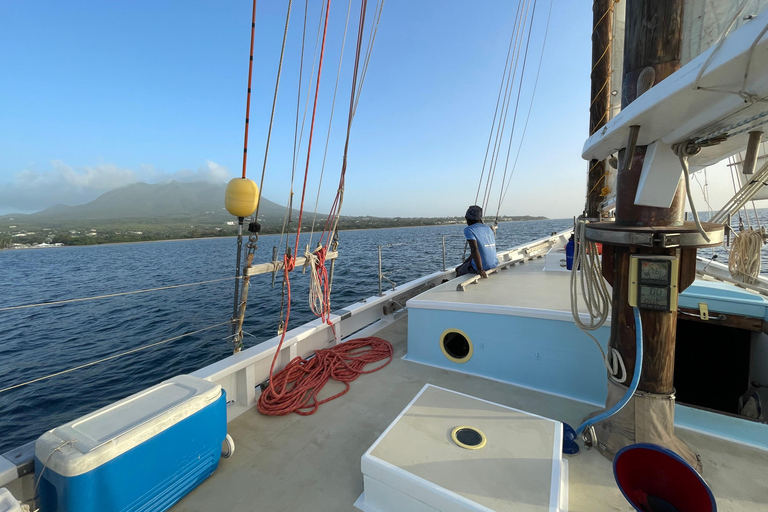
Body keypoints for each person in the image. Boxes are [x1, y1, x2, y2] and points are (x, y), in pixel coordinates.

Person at [455, 205, 499, 278]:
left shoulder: (469, 229)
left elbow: (474, 249)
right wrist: (464, 264)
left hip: (482, 266)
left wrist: (480, 269)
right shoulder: (488, 229)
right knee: (461, 267)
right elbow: (478, 251)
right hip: (494, 264)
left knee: (458, 271)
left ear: (468, 218)